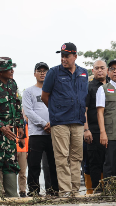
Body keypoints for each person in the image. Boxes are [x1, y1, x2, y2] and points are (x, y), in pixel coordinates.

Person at [41, 43, 88, 196]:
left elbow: (84, 97)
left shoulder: (83, 73)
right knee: (62, 157)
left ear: (75, 56)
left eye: (67, 55)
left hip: (78, 121)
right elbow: (44, 96)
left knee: (76, 158)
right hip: (60, 121)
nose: (63, 58)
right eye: (62, 55)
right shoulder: (53, 72)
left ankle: (75, 191)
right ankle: (65, 192)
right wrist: (56, 112)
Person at [0, 57, 25, 197]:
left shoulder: (12, 84)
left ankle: (12, 198)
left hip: (10, 134)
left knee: (11, 163)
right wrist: (2, 128)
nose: (12, 71)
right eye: (9, 69)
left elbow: (17, 105)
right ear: (0, 71)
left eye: (12, 68)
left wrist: (20, 125)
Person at [23, 62, 59, 196]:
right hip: (36, 134)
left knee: (53, 164)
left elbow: (58, 108)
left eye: (45, 70)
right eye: (39, 70)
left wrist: (52, 123)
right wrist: (45, 124)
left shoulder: (54, 90)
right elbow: (29, 112)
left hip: (53, 132)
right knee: (34, 164)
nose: (42, 73)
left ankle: (54, 190)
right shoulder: (29, 91)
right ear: (34, 74)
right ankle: (33, 191)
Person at [84, 60, 108, 192]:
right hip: (93, 130)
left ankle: (110, 190)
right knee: (94, 162)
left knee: (110, 161)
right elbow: (84, 110)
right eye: (97, 68)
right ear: (92, 71)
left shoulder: (113, 85)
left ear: (107, 70)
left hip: (111, 129)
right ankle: (96, 191)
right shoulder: (89, 86)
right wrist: (86, 129)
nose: (100, 70)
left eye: (102, 68)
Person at [16, 112, 29, 197]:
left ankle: (23, 191)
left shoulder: (25, 124)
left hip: (23, 150)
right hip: (12, 149)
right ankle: (10, 190)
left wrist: (27, 151)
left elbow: (27, 137)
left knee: (23, 172)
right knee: (10, 172)